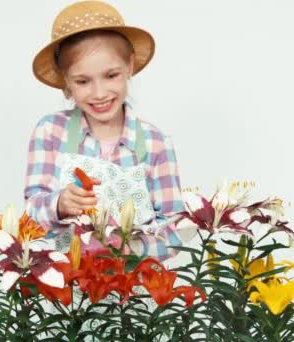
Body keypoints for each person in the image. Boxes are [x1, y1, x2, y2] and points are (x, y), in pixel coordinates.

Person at [24, 0, 185, 262]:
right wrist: (60, 204)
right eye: (83, 81)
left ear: (129, 66)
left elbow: (174, 233)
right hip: (66, 288)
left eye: (111, 75)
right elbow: (31, 212)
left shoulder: (156, 144)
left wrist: (125, 249)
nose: (99, 93)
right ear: (66, 81)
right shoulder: (51, 132)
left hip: (131, 290)